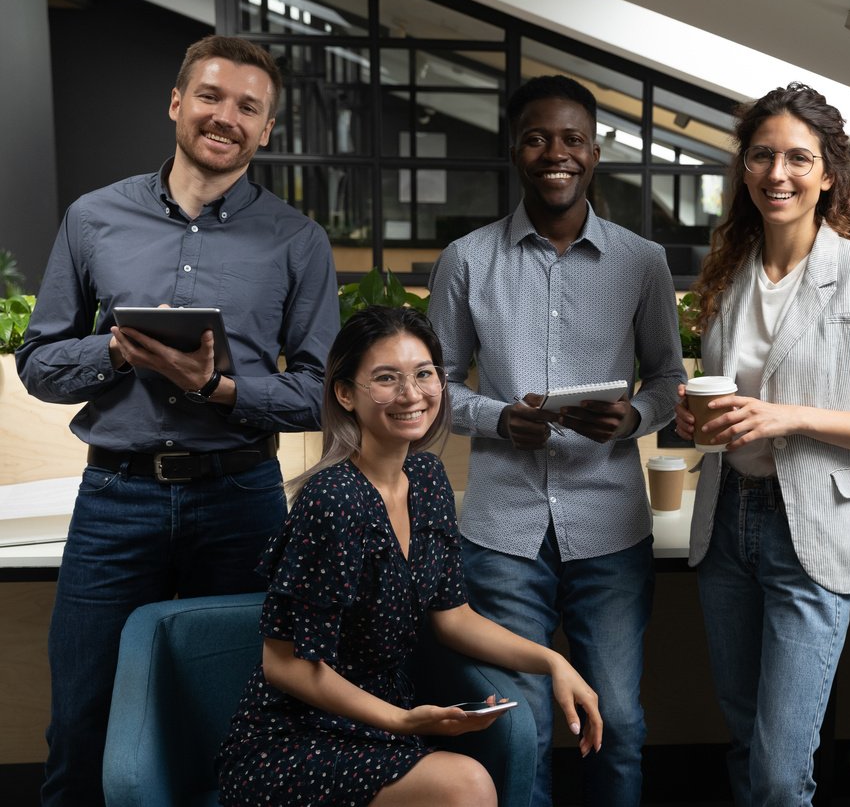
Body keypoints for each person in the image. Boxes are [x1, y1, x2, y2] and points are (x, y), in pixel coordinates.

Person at [15, 35, 339, 807]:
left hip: (241, 499)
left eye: (248, 107)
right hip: (113, 501)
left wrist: (220, 387)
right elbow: (38, 362)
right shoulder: (94, 217)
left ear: (266, 131)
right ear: (176, 103)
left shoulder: (298, 241)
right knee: (81, 717)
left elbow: (326, 393)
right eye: (210, 96)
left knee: (231, 715)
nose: (224, 117)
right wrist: (120, 351)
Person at [217, 305, 602, 806]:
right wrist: (400, 718)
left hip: (382, 725)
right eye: (386, 379)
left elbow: (454, 618)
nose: (411, 394)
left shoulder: (426, 479)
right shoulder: (332, 498)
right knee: (466, 785)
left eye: (424, 374)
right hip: (292, 739)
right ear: (344, 393)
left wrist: (553, 662)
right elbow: (284, 666)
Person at [426, 74, 684, 807]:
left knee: (621, 720)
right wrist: (498, 416)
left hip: (611, 526)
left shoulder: (643, 261)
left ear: (596, 152)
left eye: (572, 138)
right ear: (515, 150)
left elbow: (669, 378)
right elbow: (435, 384)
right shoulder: (467, 259)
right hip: (503, 530)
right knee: (525, 725)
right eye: (538, 137)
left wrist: (632, 416)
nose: (555, 153)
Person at [672, 82, 850, 806]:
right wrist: (698, 422)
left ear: (828, 173)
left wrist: (787, 417)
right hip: (726, 526)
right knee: (747, 742)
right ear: (744, 169)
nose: (777, 173)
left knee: (783, 768)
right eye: (762, 156)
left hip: (811, 529)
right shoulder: (725, 274)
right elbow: (728, 400)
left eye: (797, 158)